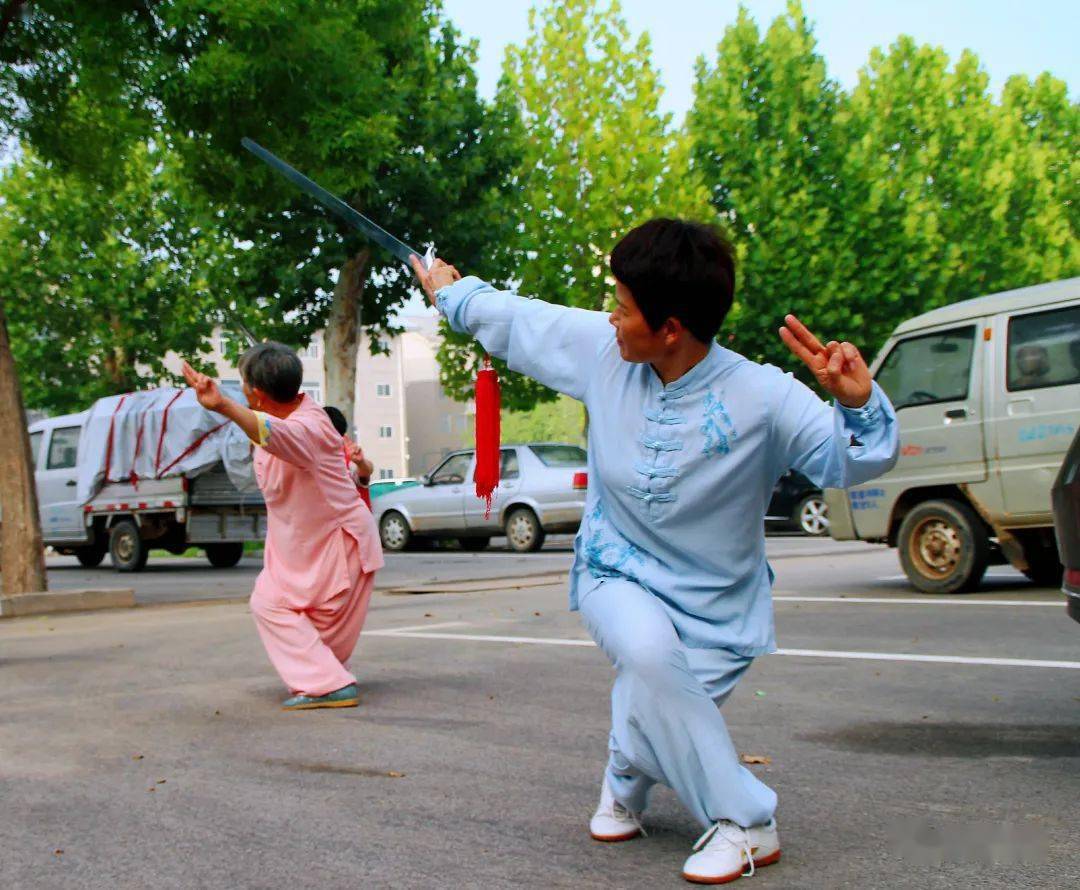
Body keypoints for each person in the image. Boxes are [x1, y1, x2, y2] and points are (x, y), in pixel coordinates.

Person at [410, 218, 899, 885]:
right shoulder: (603, 351)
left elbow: (852, 464)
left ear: (670, 326)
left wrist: (861, 405)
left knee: (654, 706)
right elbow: (524, 321)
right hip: (618, 570)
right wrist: (451, 293)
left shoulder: (764, 396)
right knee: (646, 654)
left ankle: (623, 782)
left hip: (718, 605)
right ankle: (746, 821)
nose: (611, 317)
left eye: (623, 305)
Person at [181, 343, 383, 710]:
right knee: (297, 618)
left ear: (255, 393)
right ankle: (326, 678)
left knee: (271, 603)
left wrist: (223, 406)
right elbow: (267, 429)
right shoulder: (284, 417)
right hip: (304, 545)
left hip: (338, 544)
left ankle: (327, 684)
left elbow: (275, 434)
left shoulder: (309, 426)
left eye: (243, 383)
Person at [324, 405, 375, 510]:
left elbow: (364, 473)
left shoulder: (348, 457)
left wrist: (361, 463)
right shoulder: (312, 456)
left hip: (353, 523)